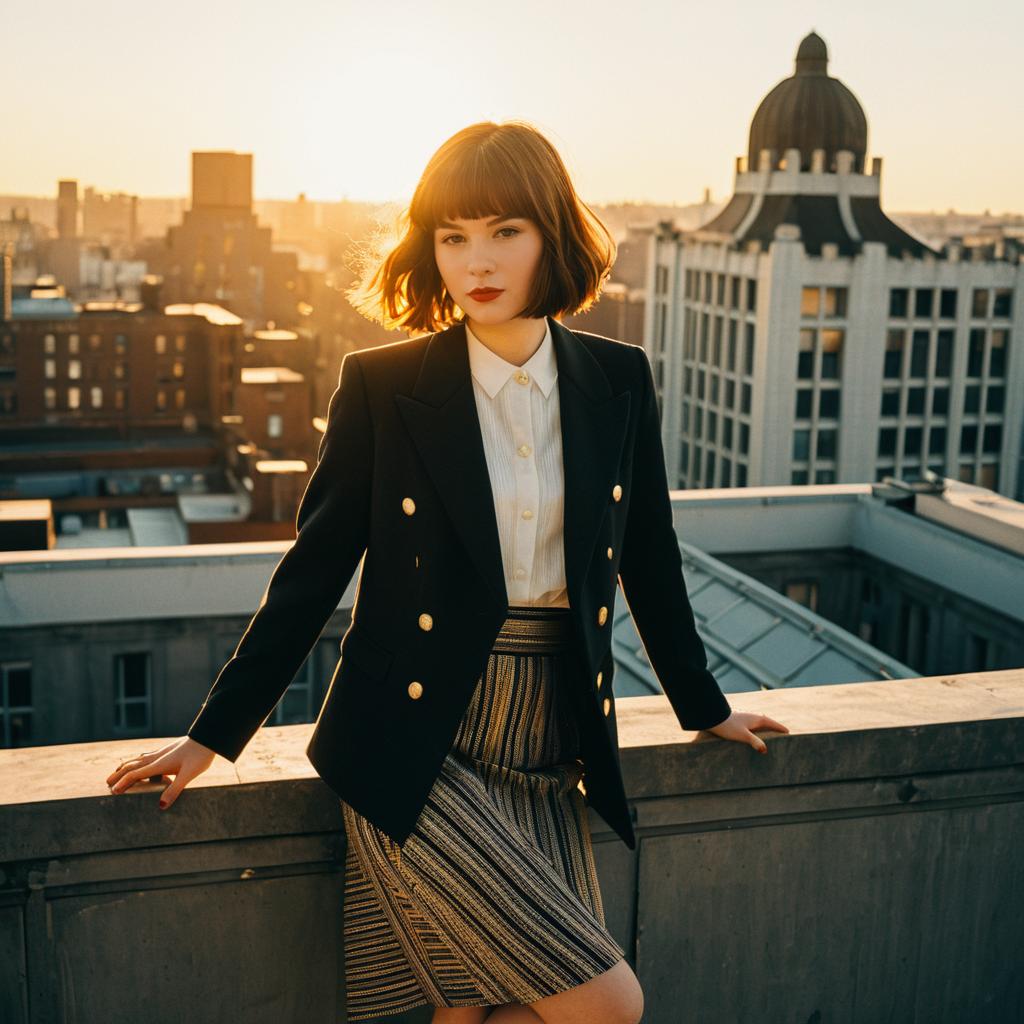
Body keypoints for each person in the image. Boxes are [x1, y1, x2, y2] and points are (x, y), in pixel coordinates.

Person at [106, 120, 789, 1023]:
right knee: (608, 1004)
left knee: (465, 1011)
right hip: (412, 737)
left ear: (553, 234)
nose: (478, 261)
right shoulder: (384, 385)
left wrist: (704, 706)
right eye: (453, 236)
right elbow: (312, 575)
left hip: (551, 735)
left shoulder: (618, 380)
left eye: (505, 230)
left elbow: (648, 557)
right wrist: (210, 735)